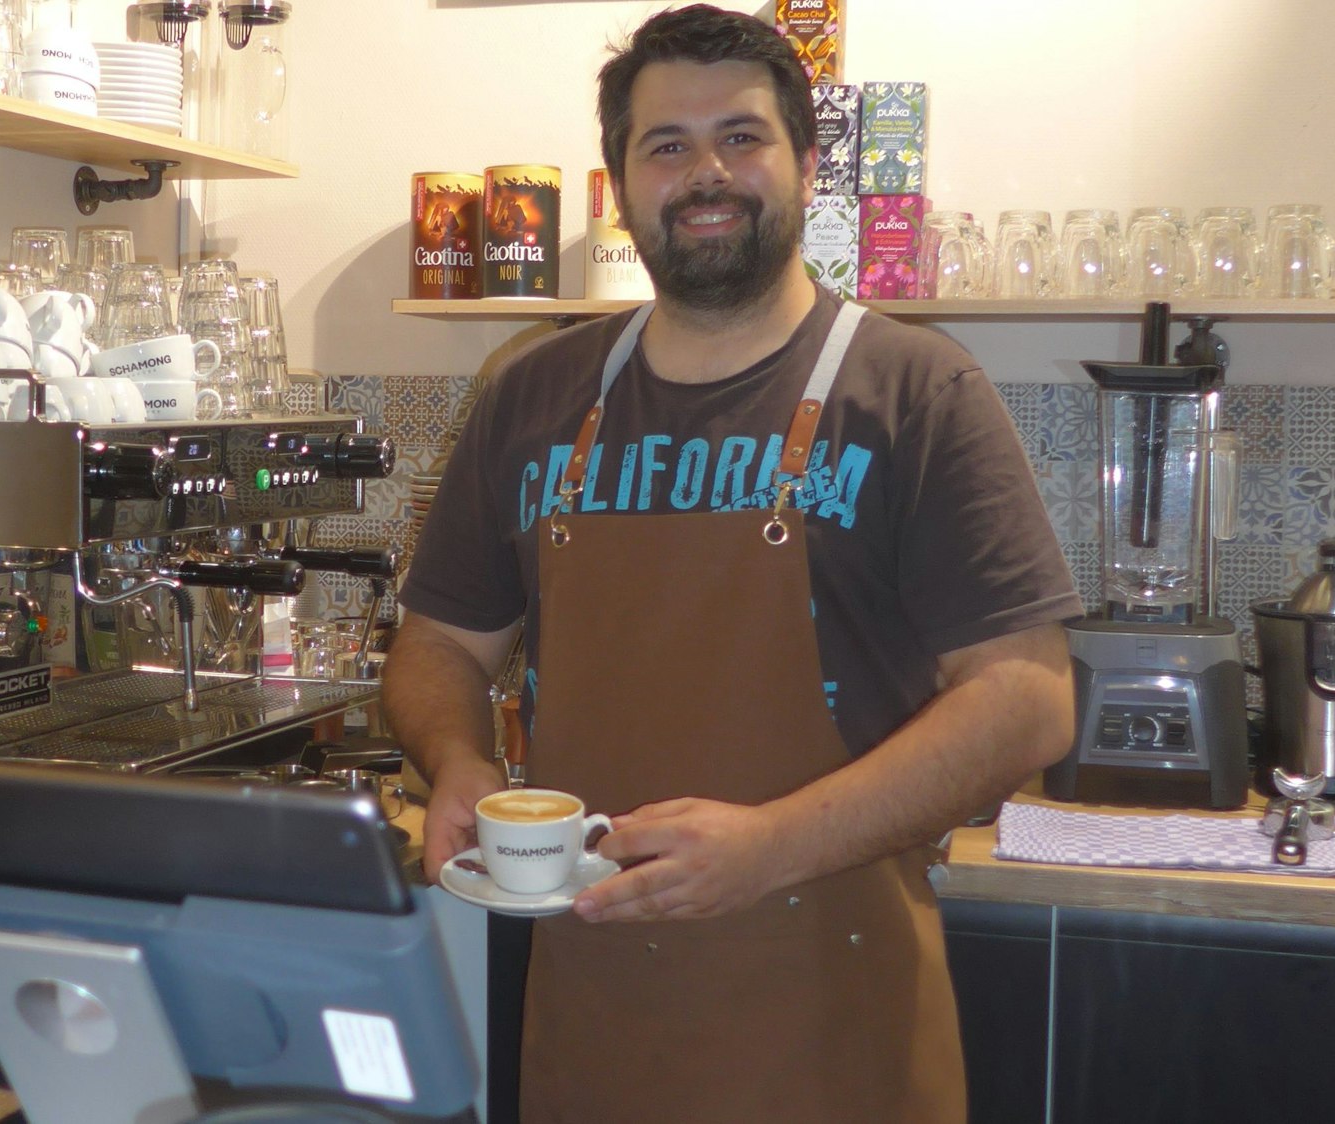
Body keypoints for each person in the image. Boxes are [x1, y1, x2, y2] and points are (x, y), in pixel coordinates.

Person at [381, 5, 1083, 1120]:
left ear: (806, 165)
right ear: (618, 184)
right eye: (666, 145)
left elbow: (1027, 696)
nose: (705, 171)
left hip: (831, 1019)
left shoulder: (916, 391)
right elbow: (437, 644)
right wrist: (455, 757)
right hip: (593, 1018)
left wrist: (771, 846)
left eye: (741, 137)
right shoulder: (532, 396)